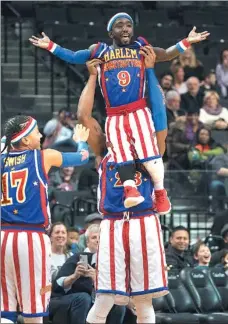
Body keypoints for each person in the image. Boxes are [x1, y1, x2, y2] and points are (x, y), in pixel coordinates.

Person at [29, 13, 209, 214]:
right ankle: (130, 189)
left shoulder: (141, 48)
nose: (125, 28)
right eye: (120, 25)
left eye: (129, 25)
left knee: (150, 155)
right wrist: (50, 46)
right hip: (114, 115)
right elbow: (72, 56)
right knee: (121, 154)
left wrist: (186, 42)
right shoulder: (99, 51)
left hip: (138, 110)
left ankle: (160, 192)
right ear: (110, 32)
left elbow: (166, 54)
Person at [77, 55, 168, 324]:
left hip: (144, 221)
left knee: (144, 302)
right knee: (103, 298)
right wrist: (93, 77)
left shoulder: (153, 147)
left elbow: (159, 111)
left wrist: (150, 71)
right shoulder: (104, 149)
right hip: (114, 222)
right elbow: (83, 116)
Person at [1, 119, 90, 324]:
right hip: (31, 236)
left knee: (5, 308)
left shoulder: (2, 159)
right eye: (35, 133)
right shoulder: (43, 157)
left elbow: (6, 139)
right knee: (35, 308)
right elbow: (82, 157)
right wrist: (81, 141)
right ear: (24, 140)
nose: (40, 136)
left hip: (3, 236)